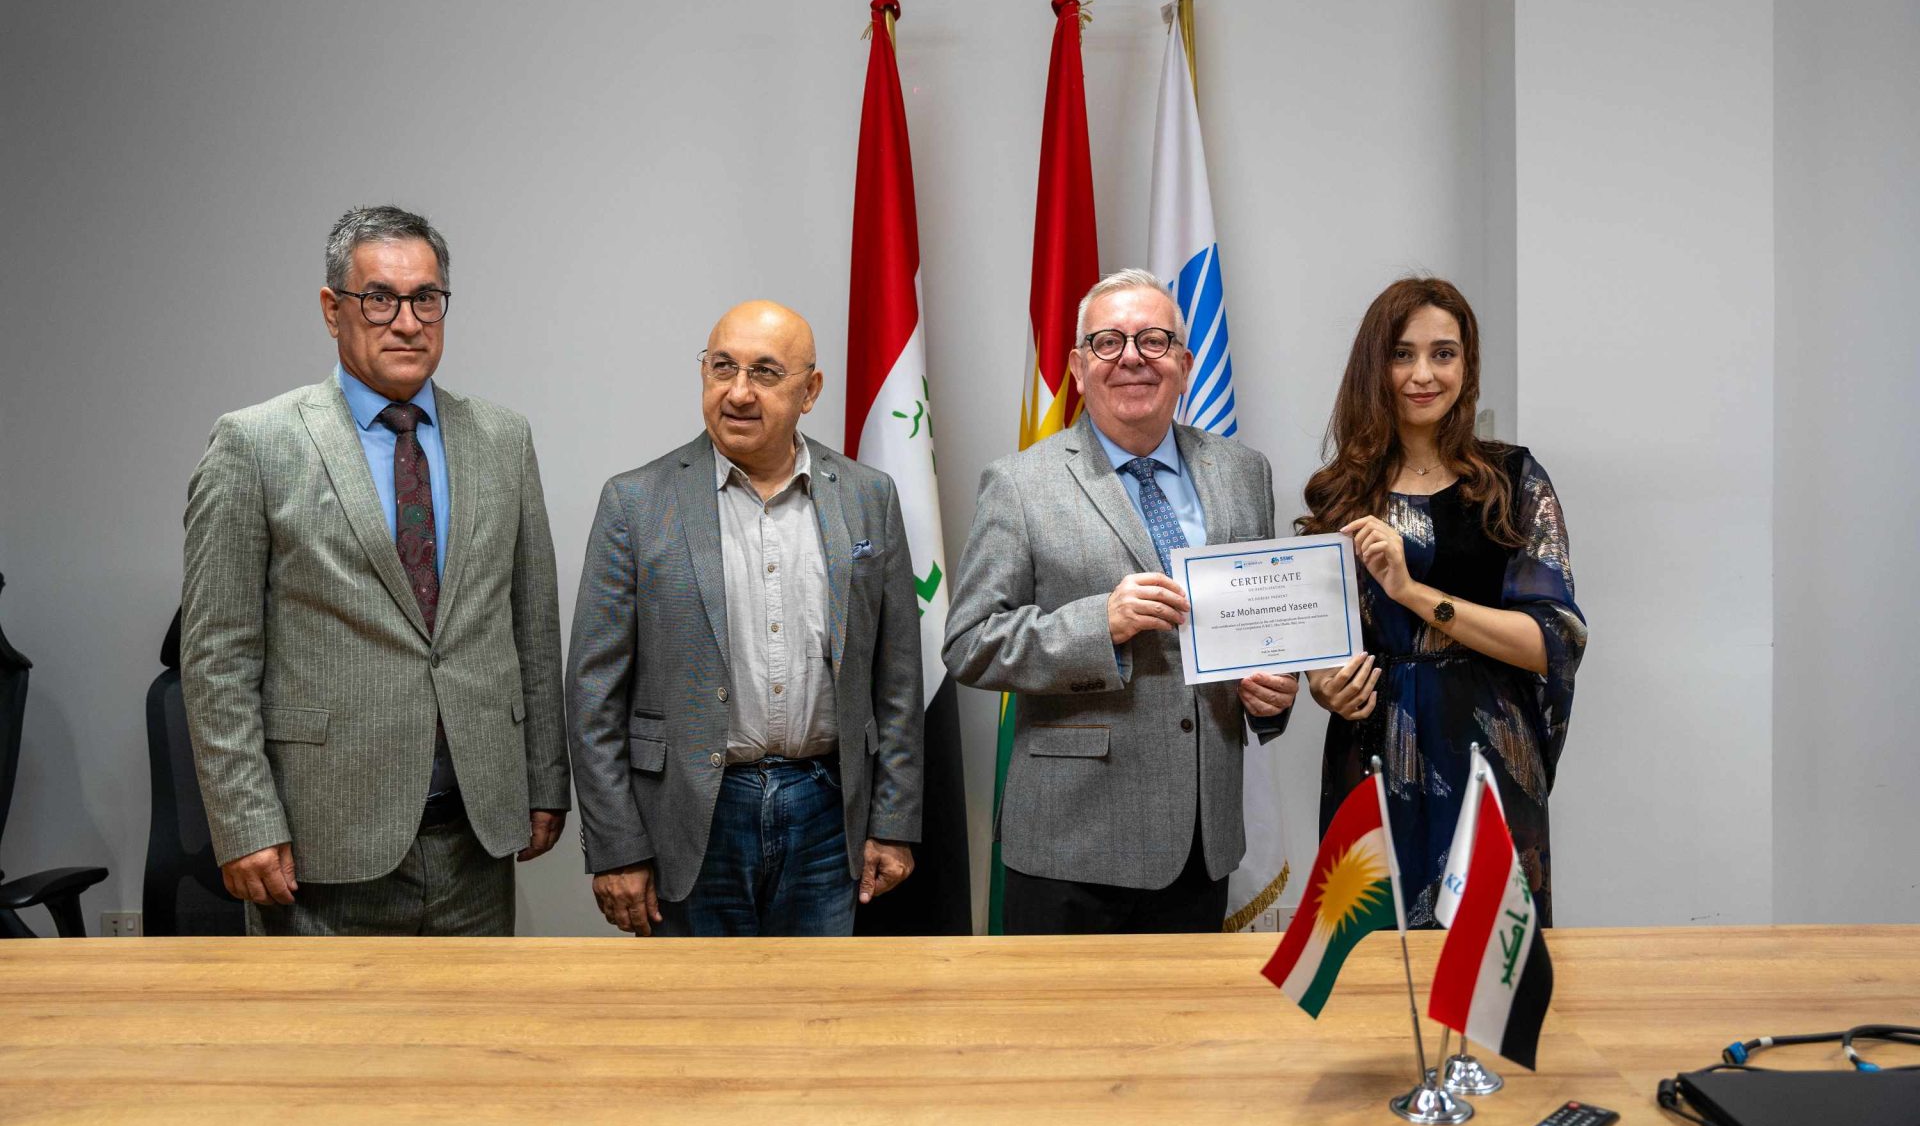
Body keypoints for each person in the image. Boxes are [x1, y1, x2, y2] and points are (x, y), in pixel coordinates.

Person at [182, 205, 570, 935]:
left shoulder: (503, 439)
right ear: (333, 310)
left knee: (477, 1017)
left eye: (426, 298)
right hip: (319, 847)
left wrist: (546, 778)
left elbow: (533, 625)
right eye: (380, 299)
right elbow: (217, 657)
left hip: (475, 840)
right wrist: (244, 822)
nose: (407, 322)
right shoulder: (254, 444)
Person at [944, 268, 1297, 934]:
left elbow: (1259, 621)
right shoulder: (1020, 483)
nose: (1132, 357)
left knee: (1189, 1007)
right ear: (1079, 368)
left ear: (1184, 366)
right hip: (1071, 842)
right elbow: (970, 643)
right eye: (1107, 342)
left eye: (1154, 340)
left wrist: (1275, 690)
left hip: (1201, 839)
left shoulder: (1243, 472)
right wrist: (1098, 625)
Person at [567, 300, 922, 936]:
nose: (738, 392)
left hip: (828, 809)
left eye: (765, 372)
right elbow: (594, 693)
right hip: (690, 813)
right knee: (702, 1001)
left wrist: (893, 823)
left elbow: (896, 679)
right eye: (722, 367)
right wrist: (617, 846)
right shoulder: (635, 502)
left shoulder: (868, 496)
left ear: (810, 390)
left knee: (816, 998)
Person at [1301, 276, 1585, 927]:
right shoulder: (1340, 491)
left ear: (1467, 364)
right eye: (1402, 354)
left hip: (1488, 753)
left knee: (1489, 958)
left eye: (1443, 353)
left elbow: (1552, 642)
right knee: (1370, 958)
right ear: (1374, 365)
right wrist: (1322, 684)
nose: (1423, 374)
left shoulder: (1512, 482)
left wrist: (1412, 592)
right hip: (1369, 755)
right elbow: (1321, 639)